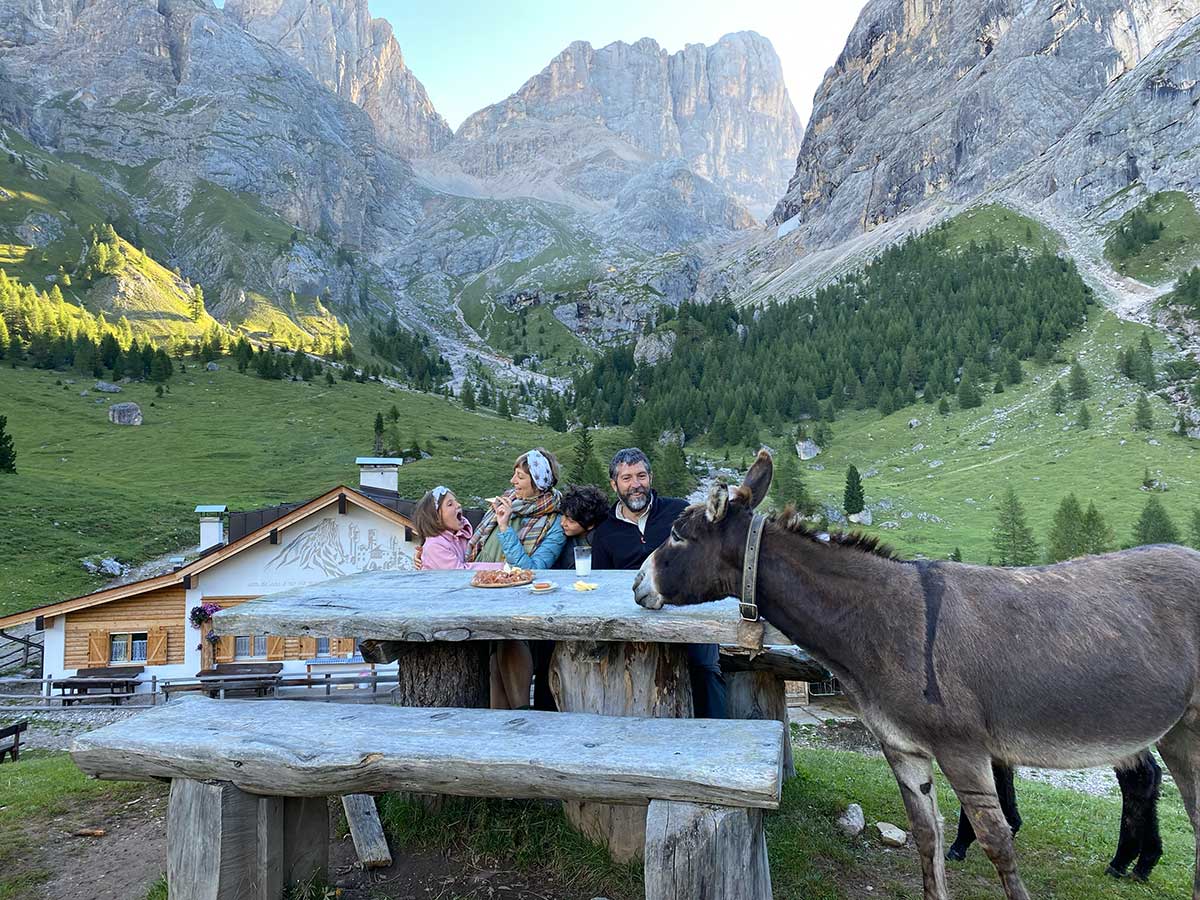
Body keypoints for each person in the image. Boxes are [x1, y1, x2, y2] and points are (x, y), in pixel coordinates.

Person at [591, 448, 726, 719]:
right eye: (626, 478)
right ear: (614, 484)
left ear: (651, 477)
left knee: (704, 666)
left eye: (641, 475)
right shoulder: (605, 530)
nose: (635, 484)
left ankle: (715, 737)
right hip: (633, 617)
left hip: (686, 611)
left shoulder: (677, 510)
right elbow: (602, 585)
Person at [468, 448, 565, 709]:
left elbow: (535, 568)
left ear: (538, 482)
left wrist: (504, 528)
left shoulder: (554, 520)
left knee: (507, 644)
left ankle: (521, 716)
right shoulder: (506, 502)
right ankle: (505, 722)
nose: (512, 481)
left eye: (520, 477)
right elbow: (473, 548)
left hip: (522, 606)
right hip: (483, 597)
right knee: (494, 661)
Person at [411, 486, 504, 571]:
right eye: (450, 504)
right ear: (436, 518)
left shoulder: (462, 535)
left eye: (456, 501)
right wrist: (502, 567)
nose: (458, 505)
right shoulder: (435, 545)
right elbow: (459, 572)